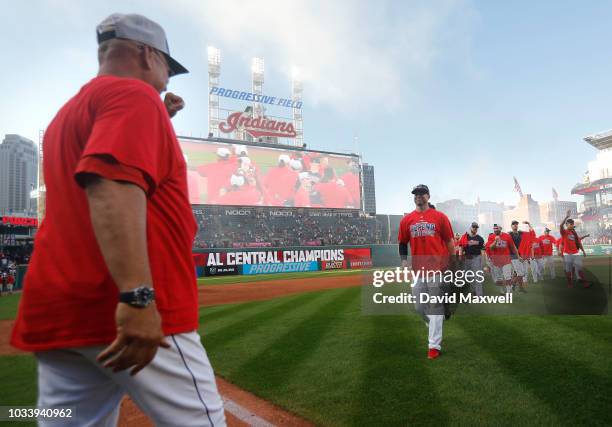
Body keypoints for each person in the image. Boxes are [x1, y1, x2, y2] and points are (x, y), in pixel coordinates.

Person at [11, 14, 226, 426]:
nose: (167, 81)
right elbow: (110, 185)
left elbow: (111, 154)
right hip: (122, 303)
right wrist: (137, 296)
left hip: (62, 311)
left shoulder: (66, 116)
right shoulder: (134, 97)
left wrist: (159, 117)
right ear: (146, 54)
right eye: (167, 67)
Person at [398, 184, 455, 360]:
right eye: (416, 194)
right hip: (418, 270)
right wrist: (404, 260)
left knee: (434, 306)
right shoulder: (407, 220)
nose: (419, 196)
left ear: (428, 196)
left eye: (422, 193)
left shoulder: (440, 217)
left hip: (437, 268)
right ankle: (439, 316)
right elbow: (402, 242)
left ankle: (434, 346)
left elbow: (449, 241)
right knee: (419, 307)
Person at [485, 224, 521, 295]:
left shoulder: (507, 236)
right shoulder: (491, 237)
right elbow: (491, 248)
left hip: (506, 260)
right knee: (499, 278)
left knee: (507, 276)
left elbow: (513, 247)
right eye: (494, 229)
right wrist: (495, 241)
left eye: (497, 228)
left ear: (500, 228)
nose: (495, 230)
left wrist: (518, 256)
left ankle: (508, 292)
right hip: (496, 262)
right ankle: (502, 291)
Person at [559, 210, 588, 288]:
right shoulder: (564, 232)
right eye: (570, 224)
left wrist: (583, 251)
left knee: (580, 268)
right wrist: (567, 216)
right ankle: (569, 283)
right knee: (568, 270)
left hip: (575, 253)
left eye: (572, 224)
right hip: (567, 254)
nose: (572, 225)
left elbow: (578, 242)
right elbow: (560, 225)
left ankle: (584, 282)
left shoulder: (574, 233)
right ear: (567, 225)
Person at [459, 222, 486, 296]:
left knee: (478, 276)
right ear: (470, 227)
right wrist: (460, 256)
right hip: (467, 258)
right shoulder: (465, 237)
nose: (475, 228)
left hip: (476, 258)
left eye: (476, 227)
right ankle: (473, 291)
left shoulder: (480, 238)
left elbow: (483, 250)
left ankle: (479, 295)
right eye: (474, 227)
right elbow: (461, 247)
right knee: (469, 277)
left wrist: (483, 261)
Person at [508, 220, 528, 290]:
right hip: (514, 255)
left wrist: (528, 224)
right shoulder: (509, 234)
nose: (515, 225)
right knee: (521, 273)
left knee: (517, 272)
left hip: (521, 255)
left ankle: (519, 287)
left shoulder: (520, 233)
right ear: (511, 226)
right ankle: (511, 284)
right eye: (513, 224)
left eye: (516, 224)